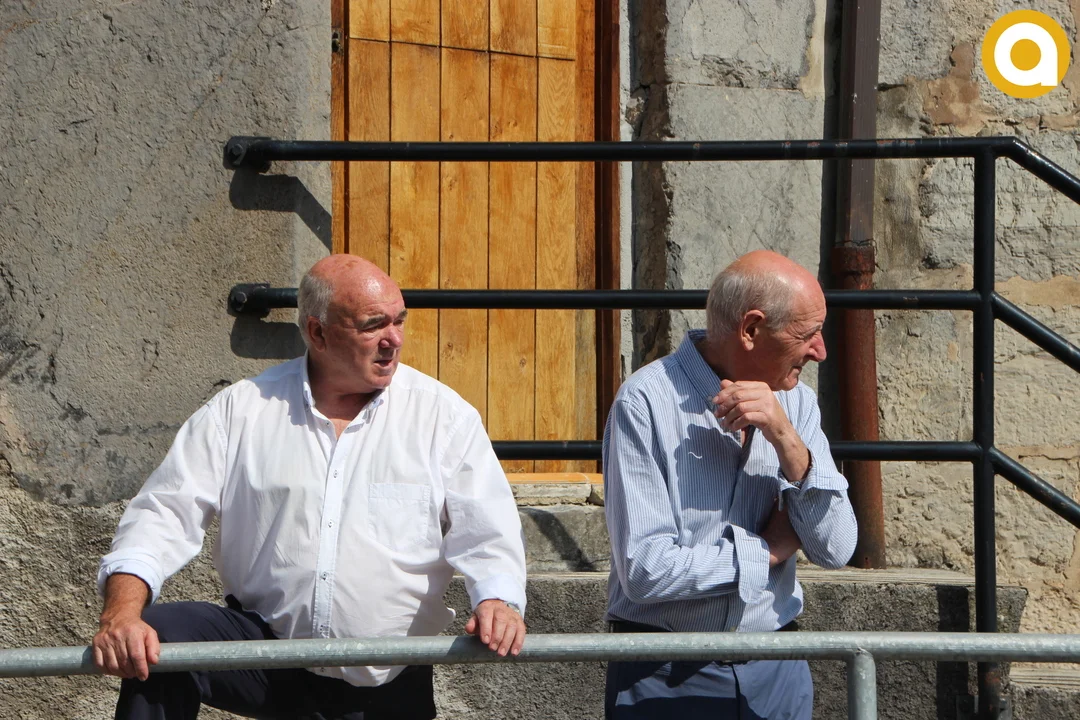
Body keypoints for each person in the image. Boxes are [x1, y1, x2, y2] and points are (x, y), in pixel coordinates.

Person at [93, 254, 527, 720]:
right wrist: (122, 612)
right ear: (318, 333)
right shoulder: (241, 411)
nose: (394, 339)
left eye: (399, 321)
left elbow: (487, 530)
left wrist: (498, 601)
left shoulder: (443, 417)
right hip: (268, 659)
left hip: (388, 678)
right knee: (161, 637)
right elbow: (162, 513)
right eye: (373, 325)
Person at [602, 250, 858, 720]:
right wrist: (768, 552)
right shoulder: (645, 402)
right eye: (807, 334)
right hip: (665, 675)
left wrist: (787, 440)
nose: (820, 351)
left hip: (776, 670)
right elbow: (645, 570)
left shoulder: (797, 404)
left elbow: (836, 548)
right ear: (751, 329)